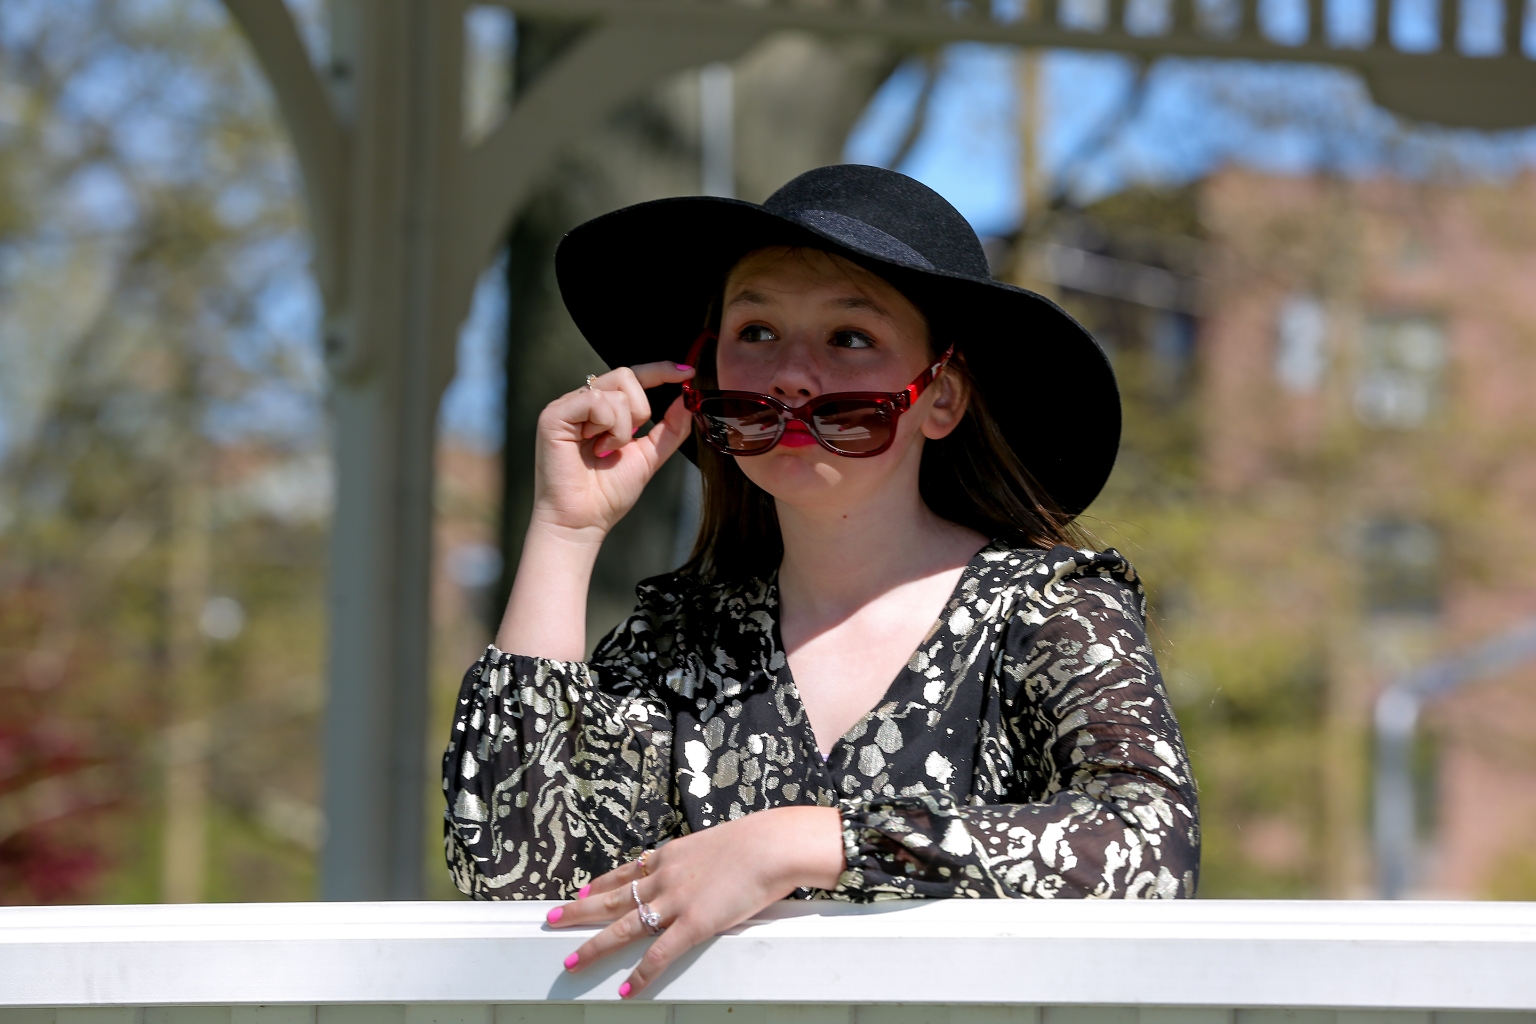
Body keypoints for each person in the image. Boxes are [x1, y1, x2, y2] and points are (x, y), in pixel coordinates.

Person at [442, 164, 1199, 998]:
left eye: (850, 337)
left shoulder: (1049, 610)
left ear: (941, 398)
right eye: (757, 330)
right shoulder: (680, 641)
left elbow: (1150, 847)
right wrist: (565, 531)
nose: (792, 375)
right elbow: (515, 872)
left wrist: (809, 843)